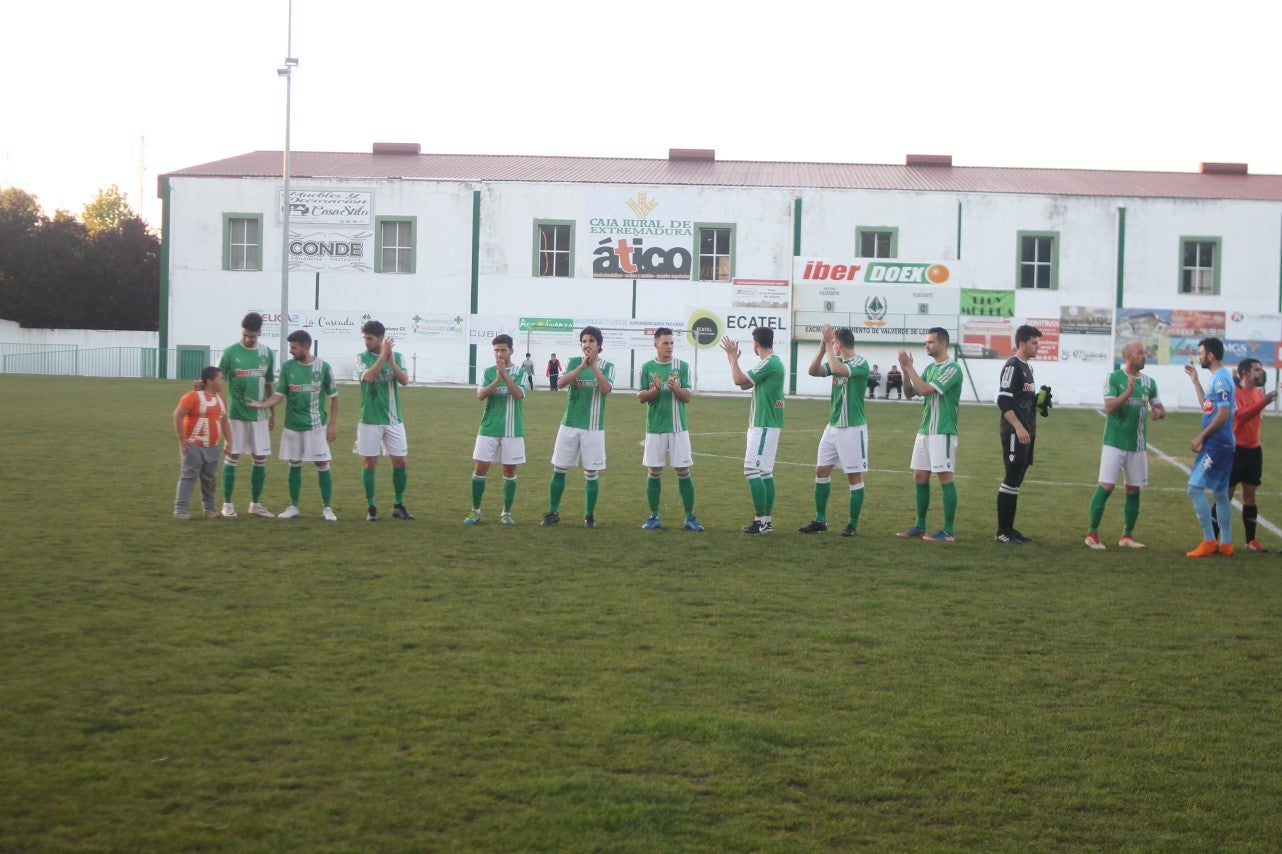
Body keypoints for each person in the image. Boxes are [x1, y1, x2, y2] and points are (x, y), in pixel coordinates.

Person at [1188, 356, 1277, 552]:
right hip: (1235, 451)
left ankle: (1251, 541)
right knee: (1224, 495)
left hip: (1254, 451)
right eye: (1256, 370)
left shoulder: (1257, 393)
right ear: (1245, 373)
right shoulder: (1234, 393)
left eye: (1261, 370)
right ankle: (1213, 540)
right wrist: (1262, 403)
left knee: (1250, 497)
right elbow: (1239, 417)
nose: (1261, 373)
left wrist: (1261, 401)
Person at [248, 329, 339, 521]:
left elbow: (334, 398)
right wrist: (263, 404)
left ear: (305, 346)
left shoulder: (323, 367)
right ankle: (293, 505)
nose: (291, 350)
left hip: (316, 426)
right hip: (292, 425)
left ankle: (327, 508)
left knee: (322, 463)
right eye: (290, 347)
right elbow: (279, 395)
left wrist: (332, 425)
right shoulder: (288, 367)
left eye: (294, 347)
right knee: (294, 464)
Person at [1084, 342, 1166, 550]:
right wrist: (1128, 391)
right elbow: (1110, 407)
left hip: (1137, 445)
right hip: (1114, 442)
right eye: (1140, 353)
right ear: (1128, 356)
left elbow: (1159, 406)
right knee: (1106, 486)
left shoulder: (1150, 382)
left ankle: (1127, 536)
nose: (1145, 356)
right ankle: (1092, 533)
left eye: (1145, 353)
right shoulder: (1113, 378)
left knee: (1133, 489)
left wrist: (1158, 412)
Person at [799, 325, 869, 537]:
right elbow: (813, 371)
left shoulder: (859, 362)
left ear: (838, 343)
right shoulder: (835, 359)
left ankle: (852, 524)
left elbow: (838, 370)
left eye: (833, 343)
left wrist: (829, 347)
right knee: (821, 471)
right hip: (833, 426)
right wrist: (822, 348)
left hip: (852, 427)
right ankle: (820, 520)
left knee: (853, 476)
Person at [541, 327, 614, 528]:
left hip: (593, 428)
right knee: (559, 469)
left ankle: (589, 516)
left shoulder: (608, 366)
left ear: (598, 344)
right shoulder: (574, 362)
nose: (587, 344)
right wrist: (582, 367)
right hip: (569, 425)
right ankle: (553, 512)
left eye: (591, 341)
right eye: (584, 341)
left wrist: (594, 366)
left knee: (591, 473)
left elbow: (606, 388)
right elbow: (561, 383)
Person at [895, 327, 963, 542]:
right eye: (926, 342)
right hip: (925, 431)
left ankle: (948, 531)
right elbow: (909, 393)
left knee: (944, 478)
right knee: (920, 476)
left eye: (931, 342)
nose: (927, 345)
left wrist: (909, 367)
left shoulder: (952, 368)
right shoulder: (929, 369)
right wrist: (906, 372)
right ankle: (920, 525)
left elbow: (924, 390)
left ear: (943, 343)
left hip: (942, 432)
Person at [637, 327, 704, 531]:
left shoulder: (682, 367)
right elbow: (640, 397)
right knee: (654, 471)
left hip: (678, 428)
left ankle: (690, 517)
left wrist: (674, 387)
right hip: (655, 428)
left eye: (672, 343)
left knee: (683, 470)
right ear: (656, 344)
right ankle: (653, 516)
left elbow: (688, 397)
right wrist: (655, 389)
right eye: (665, 343)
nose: (669, 346)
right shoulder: (647, 367)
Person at [721, 326, 787, 535]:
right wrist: (733, 360)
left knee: (751, 470)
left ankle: (760, 521)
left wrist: (732, 356)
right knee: (765, 472)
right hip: (765, 424)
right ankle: (765, 522)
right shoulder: (770, 363)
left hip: (764, 424)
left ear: (756, 344)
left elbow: (738, 380)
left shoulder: (769, 363)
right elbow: (744, 385)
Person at [217, 311, 276, 518]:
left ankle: (255, 504)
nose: (248, 339)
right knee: (232, 456)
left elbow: (269, 385)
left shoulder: (267, 353)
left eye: (252, 335)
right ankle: (227, 504)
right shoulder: (229, 352)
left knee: (260, 458)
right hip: (235, 415)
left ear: (260, 333)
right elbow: (216, 381)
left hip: (259, 416)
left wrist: (272, 413)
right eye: (245, 335)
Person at [465, 334, 527, 526]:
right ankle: (475, 511)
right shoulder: (488, 372)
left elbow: (518, 395)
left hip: (512, 429)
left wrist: (505, 376)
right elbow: (481, 395)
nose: (499, 354)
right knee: (480, 468)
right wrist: (497, 379)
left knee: (509, 470)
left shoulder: (521, 372)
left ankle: (506, 513)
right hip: (489, 427)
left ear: (511, 351)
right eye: (496, 350)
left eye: (503, 350)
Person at [355, 320, 414, 522]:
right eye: (365, 338)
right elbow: (369, 377)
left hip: (393, 419)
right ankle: (371, 507)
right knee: (369, 462)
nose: (366, 342)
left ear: (381, 338)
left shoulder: (396, 356)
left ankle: (398, 505)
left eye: (370, 338)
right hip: (370, 419)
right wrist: (382, 357)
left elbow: (405, 381)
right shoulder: (361, 358)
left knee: (400, 461)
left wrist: (391, 361)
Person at [1183, 337, 1236, 557]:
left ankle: (1208, 540)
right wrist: (1196, 381)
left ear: (1211, 355)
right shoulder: (1218, 377)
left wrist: (1201, 436)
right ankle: (1226, 544)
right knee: (1221, 493)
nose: (1200, 356)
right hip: (1223, 444)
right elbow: (1209, 407)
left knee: (1194, 488)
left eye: (1202, 353)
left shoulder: (1222, 379)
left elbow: (1223, 413)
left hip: (1216, 445)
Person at [994, 324, 1042, 544]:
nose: (1037, 346)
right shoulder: (1012, 366)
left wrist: (1040, 402)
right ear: (1022, 343)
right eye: (1034, 342)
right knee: (1011, 478)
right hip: (1016, 432)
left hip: (1027, 432)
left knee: (1017, 480)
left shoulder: (1028, 368)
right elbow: (1003, 400)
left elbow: (1022, 400)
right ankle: (1002, 532)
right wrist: (1019, 427)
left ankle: (1010, 530)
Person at [173, 366, 231, 520]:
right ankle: (180, 510)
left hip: (213, 446)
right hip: (194, 445)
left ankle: (209, 510)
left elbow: (224, 420)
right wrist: (183, 441)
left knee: (210, 479)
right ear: (209, 381)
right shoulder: (192, 397)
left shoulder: (221, 399)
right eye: (219, 378)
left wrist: (229, 440)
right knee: (188, 476)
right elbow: (178, 415)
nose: (222, 381)